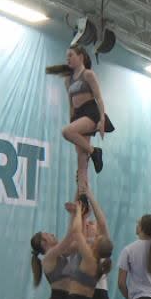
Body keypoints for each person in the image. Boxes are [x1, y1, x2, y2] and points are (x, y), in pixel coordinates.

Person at [55, 46, 109, 192]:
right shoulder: (68, 80)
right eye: (67, 56)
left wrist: (102, 121)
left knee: (66, 132)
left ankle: (94, 151)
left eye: (71, 55)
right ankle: (82, 199)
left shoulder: (88, 75)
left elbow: (99, 98)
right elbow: (70, 104)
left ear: (81, 57)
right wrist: (72, 120)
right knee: (81, 162)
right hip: (78, 115)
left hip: (91, 113)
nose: (68, 59)